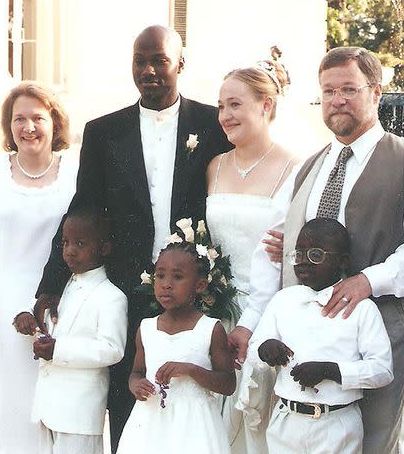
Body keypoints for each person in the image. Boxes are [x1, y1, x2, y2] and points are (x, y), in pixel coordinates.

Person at [29, 25, 231, 451]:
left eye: (159, 60)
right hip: (125, 286)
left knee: (194, 403)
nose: (150, 70)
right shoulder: (104, 132)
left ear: (180, 63)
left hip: (195, 290)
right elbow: (81, 212)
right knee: (127, 399)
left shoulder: (212, 123)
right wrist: (51, 285)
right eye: (141, 61)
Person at [248, 46, 404, 454]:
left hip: (375, 336)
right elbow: (281, 243)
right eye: (328, 91)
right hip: (299, 348)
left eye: (349, 90)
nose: (337, 100)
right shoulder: (310, 165)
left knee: (376, 444)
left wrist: (366, 281)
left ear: (376, 93)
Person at [0, 81, 77, 453]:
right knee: (5, 398)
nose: (28, 127)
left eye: (38, 118)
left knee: (52, 395)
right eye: (19, 119)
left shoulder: (75, 174)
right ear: (8, 127)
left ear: (55, 123)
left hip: (62, 300)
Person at [207, 58, 297, 453]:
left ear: (266, 106)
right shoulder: (213, 166)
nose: (225, 115)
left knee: (255, 423)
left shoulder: (297, 169)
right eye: (222, 105)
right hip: (214, 312)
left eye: (235, 104)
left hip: (265, 314)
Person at [249, 218, 393, 454]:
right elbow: (255, 352)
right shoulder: (283, 300)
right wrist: (265, 349)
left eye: (316, 254)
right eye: (299, 253)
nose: (304, 260)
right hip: (286, 422)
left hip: (336, 425)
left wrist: (331, 371)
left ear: (342, 260)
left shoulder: (361, 309)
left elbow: (382, 370)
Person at [23, 207, 128, 454]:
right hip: (47, 408)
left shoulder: (112, 297)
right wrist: (26, 315)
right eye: (65, 242)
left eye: (80, 243)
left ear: (104, 249)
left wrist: (58, 350)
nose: (70, 250)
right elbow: (45, 316)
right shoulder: (63, 288)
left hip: (79, 413)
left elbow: (112, 349)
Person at [117, 242, 236, 454]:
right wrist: (135, 384)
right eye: (160, 276)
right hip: (150, 425)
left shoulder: (210, 329)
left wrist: (190, 370)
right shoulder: (146, 328)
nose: (166, 284)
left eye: (178, 277)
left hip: (195, 427)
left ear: (199, 285)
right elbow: (137, 372)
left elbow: (228, 384)